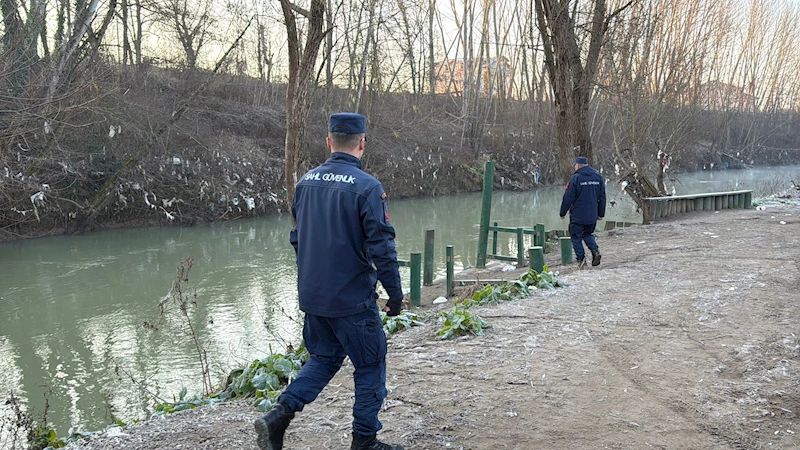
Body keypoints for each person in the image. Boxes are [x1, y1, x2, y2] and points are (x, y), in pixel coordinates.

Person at [254, 113, 405, 450]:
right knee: (370, 365)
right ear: (362, 142)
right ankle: (364, 440)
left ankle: (278, 416)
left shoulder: (305, 182)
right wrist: (395, 296)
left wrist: (313, 280)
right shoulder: (368, 188)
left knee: (322, 359)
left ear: (328, 142)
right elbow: (383, 248)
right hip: (352, 301)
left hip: (314, 296)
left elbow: (297, 238)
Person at [559, 156, 606, 268]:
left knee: (576, 237)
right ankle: (595, 251)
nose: (574, 167)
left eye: (575, 165)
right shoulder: (598, 177)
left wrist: (562, 212)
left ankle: (582, 260)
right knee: (588, 234)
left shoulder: (575, 178)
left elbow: (568, 197)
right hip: (592, 215)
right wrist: (601, 213)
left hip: (578, 215)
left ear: (578, 165)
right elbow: (602, 197)